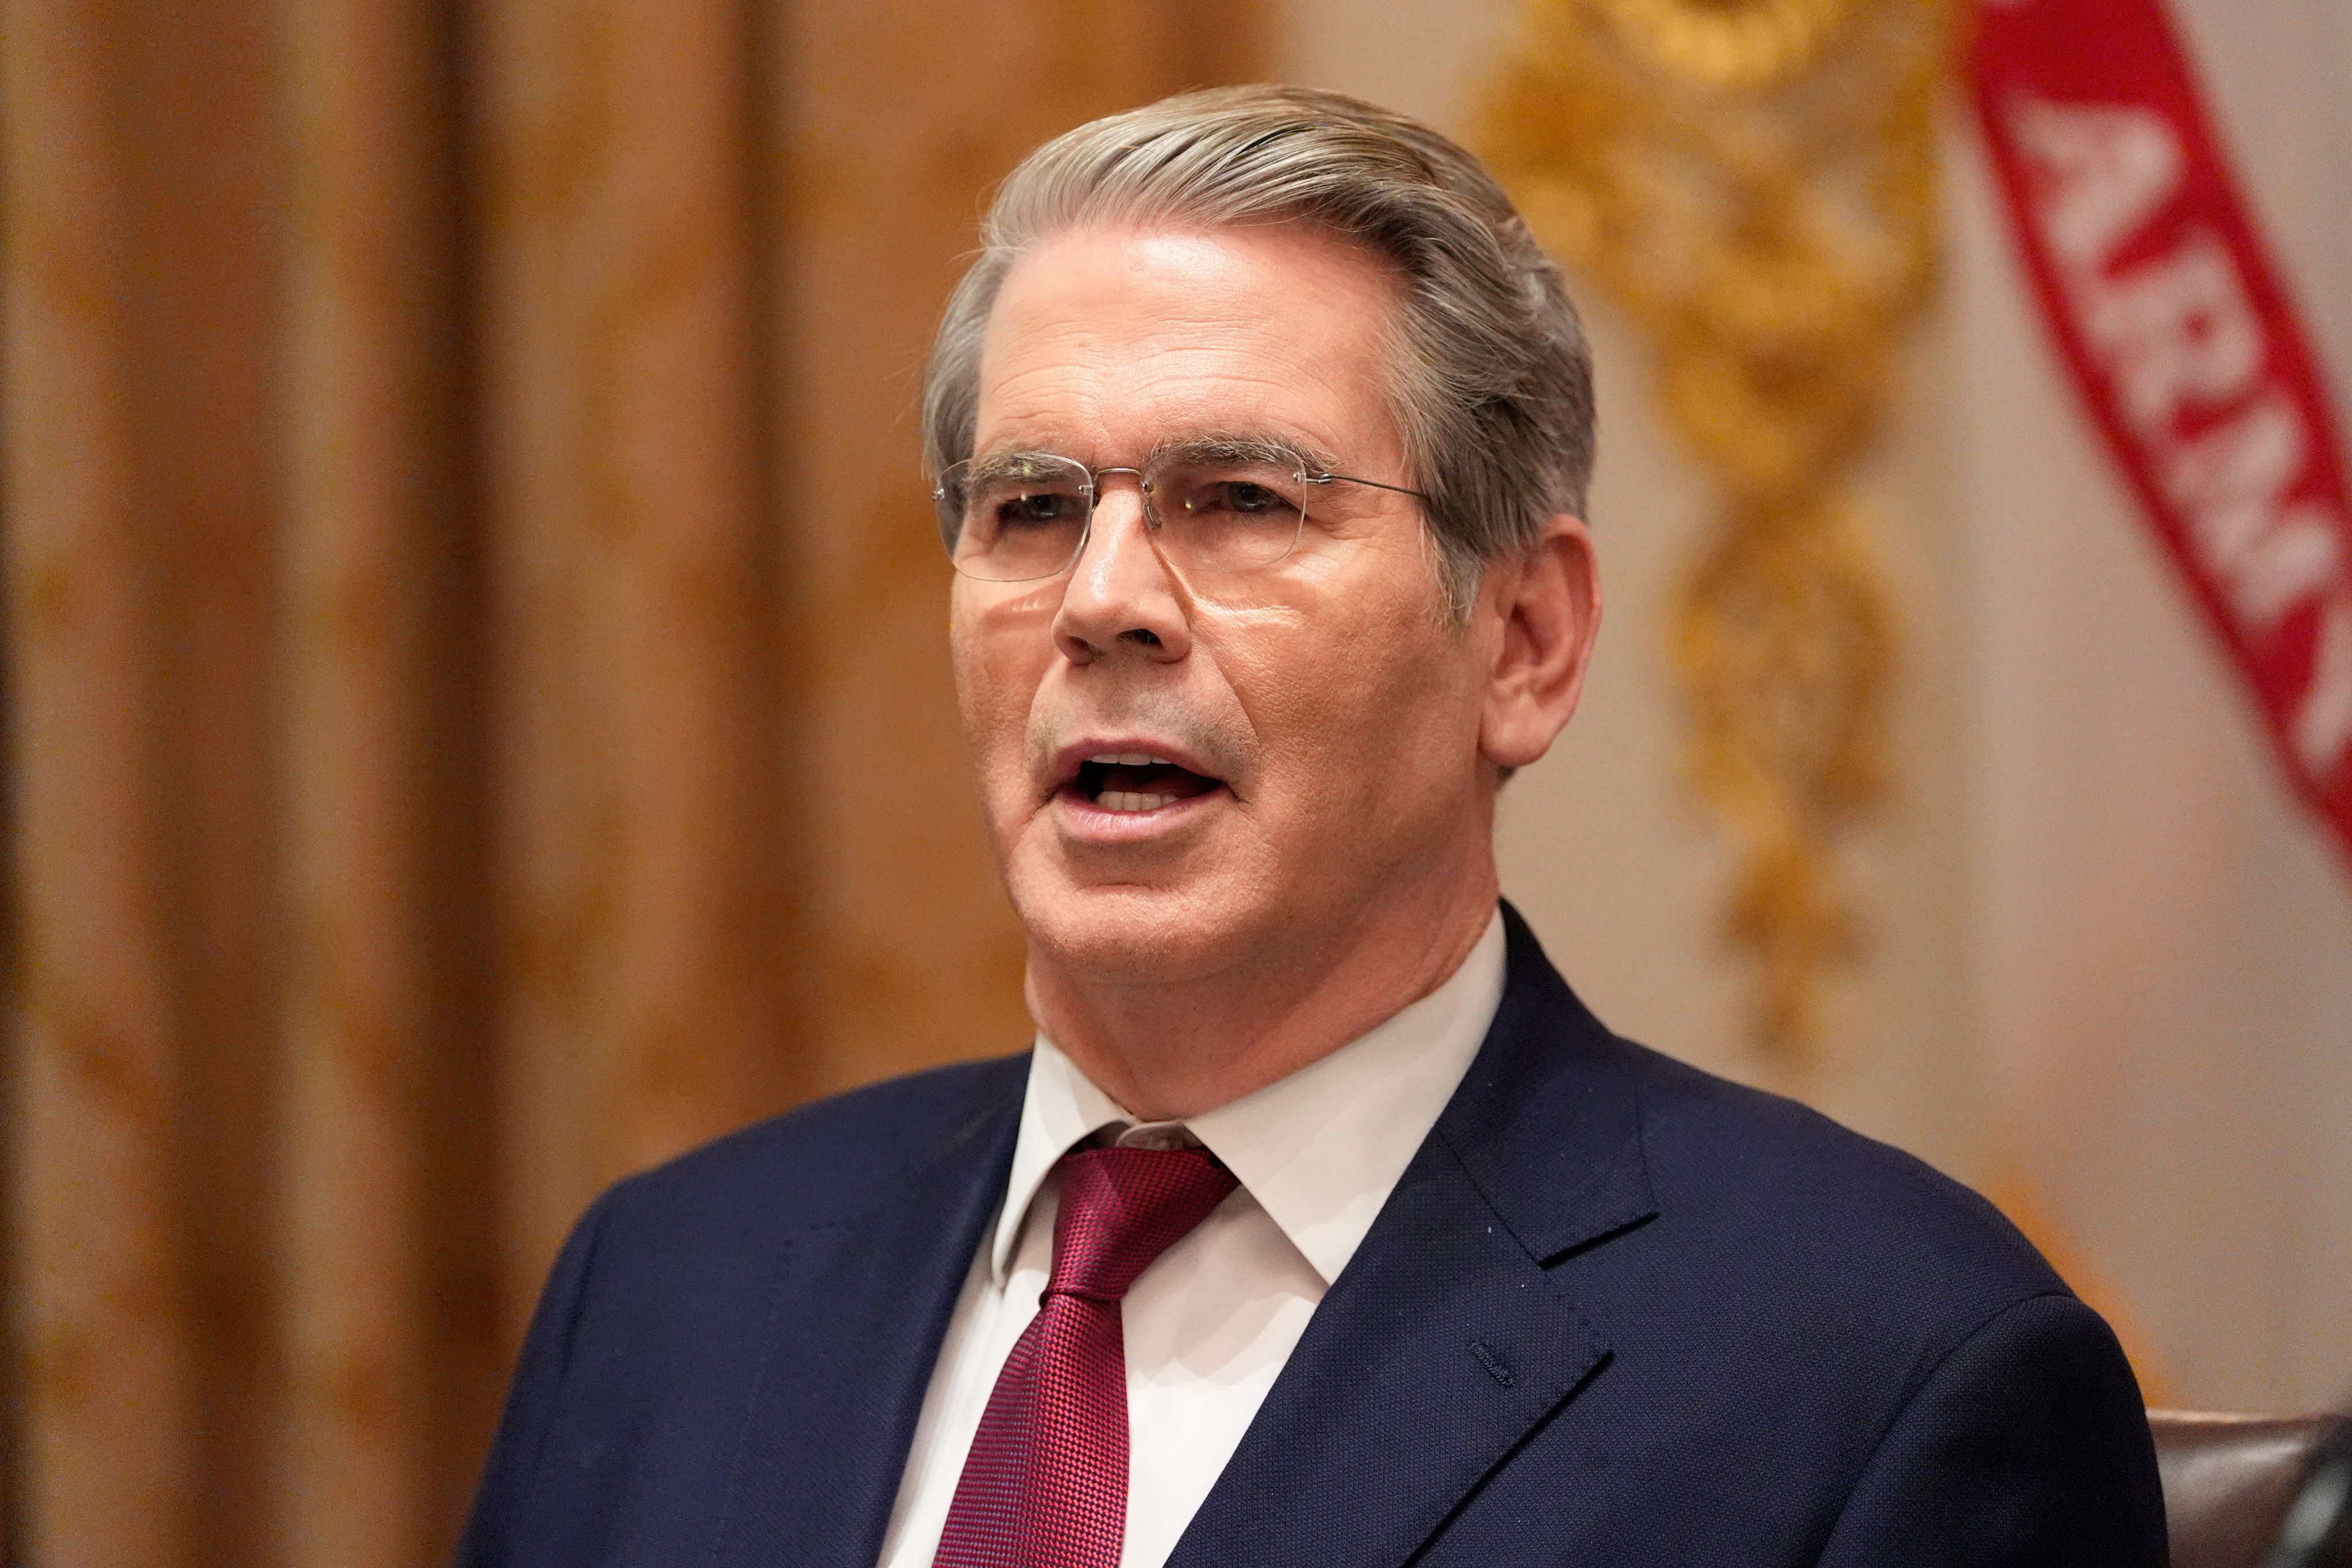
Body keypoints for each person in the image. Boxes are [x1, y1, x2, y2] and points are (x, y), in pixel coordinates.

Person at [457, 86, 2166, 1567]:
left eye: (1243, 500)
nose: (1104, 599)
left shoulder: (1877, 1370)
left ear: (1524, 639)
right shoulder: (670, 1287)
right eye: (1031, 508)